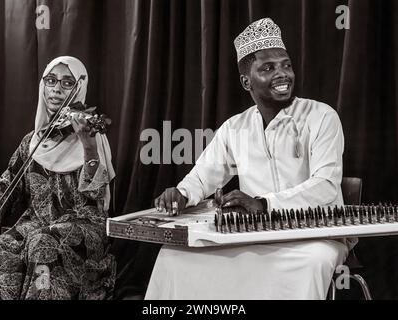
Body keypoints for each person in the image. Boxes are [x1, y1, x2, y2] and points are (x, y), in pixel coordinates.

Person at [146, 18, 355, 300]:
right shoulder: (236, 127)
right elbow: (203, 176)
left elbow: (327, 186)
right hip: (253, 232)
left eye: (286, 65)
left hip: (316, 233)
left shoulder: (321, 116)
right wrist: (182, 194)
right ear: (246, 81)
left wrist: (263, 204)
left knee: (312, 262)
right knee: (173, 256)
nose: (283, 74)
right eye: (268, 68)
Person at [0, 56, 116, 300]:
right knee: (4, 244)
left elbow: (97, 197)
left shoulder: (91, 136)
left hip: (85, 226)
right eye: (51, 81)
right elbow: (8, 181)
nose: (56, 89)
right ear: (43, 86)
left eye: (67, 83)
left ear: (79, 88)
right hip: (40, 222)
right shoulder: (33, 141)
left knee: (42, 241)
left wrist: (88, 146)